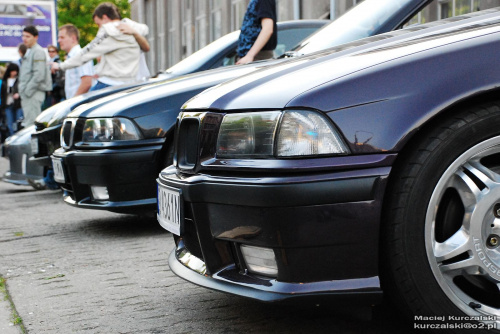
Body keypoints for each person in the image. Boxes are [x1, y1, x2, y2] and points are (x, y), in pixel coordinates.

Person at [51, 2, 148, 91]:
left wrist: (61, 66)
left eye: (98, 24)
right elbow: (146, 47)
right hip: (132, 82)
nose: (99, 28)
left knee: (84, 105)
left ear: (105, 18)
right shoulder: (133, 29)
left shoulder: (109, 30)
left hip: (110, 83)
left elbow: (86, 53)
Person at [18, 25, 52, 128]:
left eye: (28, 36)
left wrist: (27, 91)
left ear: (35, 37)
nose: (24, 38)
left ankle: (33, 145)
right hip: (29, 93)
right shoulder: (30, 50)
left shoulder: (38, 51)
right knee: (28, 122)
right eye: (23, 36)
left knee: (31, 125)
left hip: (33, 93)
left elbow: (39, 75)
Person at [56, 24, 94, 98]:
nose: (59, 40)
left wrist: (73, 102)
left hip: (79, 104)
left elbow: (87, 82)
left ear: (73, 38)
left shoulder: (81, 55)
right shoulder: (71, 57)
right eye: (59, 38)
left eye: (62, 37)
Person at [235, 0, 277, 65]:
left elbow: (267, 29)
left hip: (257, 58)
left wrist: (250, 55)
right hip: (253, 57)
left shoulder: (263, 1)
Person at [0, 63, 23, 137]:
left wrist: (18, 94)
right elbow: (3, 95)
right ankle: (12, 138)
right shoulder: (5, 81)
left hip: (18, 104)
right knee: (10, 124)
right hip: (7, 104)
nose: (14, 73)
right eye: (12, 71)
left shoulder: (19, 80)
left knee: (18, 123)